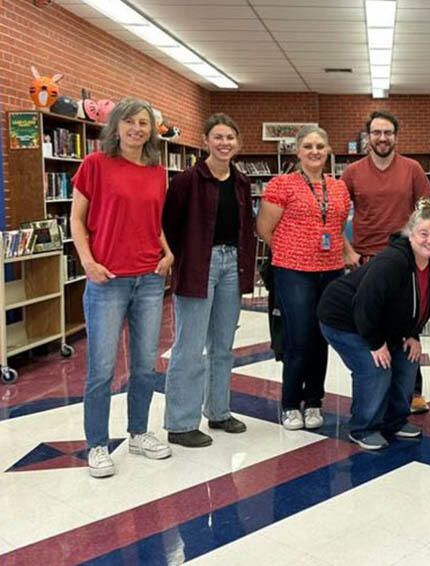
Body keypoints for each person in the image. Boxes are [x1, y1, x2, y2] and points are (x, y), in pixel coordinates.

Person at [70, 98, 174, 478]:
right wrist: (88, 262)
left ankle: (139, 432)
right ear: (115, 127)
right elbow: (76, 219)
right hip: (107, 280)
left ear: (151, 130)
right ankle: (97, 443)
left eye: (143, 123)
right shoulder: (95, 164)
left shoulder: (157, 171)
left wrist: (167, 252)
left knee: (145, 365)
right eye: (129, 122)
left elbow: (153, 221)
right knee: (101, 368)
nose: (136, 129)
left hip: (149, 278)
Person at [317, 201, 430, 450]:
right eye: (423, 233)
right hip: (344, 319)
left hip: (382, 322)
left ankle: (394, 421)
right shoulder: (392, 261)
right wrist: (375, 344)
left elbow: (425, 302)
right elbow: (365, 304)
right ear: (410, 234)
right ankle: (363, 427)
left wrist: (412, 334)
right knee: (376, 367)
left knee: (408, 360)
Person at [161, 113, 256, 448]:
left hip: (232, 266)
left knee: (222, 346)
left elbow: (246, 227)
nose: (224, 143)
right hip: (197, 267)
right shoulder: (187, 180)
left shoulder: (242, 182)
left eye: (230, 138)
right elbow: (169, 226)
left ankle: (218, 411)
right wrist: (180, 260)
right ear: (205, 141)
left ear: (238, 143)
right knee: (188, 347)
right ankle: (181, 422)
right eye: (218, 137)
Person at [256, 126, 357, 431]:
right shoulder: (281, 184)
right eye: (308, 146)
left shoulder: (338, 187)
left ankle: (314, 401)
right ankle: (289, 404)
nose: (315, 151)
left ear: (327, 151)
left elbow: (336, 227)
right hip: (293, 272)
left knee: (320, 337)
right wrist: (291, 252)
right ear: (297, 151)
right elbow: (263, 228)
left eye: (320, 146)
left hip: (331, 271)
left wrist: (348, 252)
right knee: (298, 337)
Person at [342, 110, 430, 413]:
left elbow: (426, 211)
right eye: (377, 133)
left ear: (396, 136)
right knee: (373, 325)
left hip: (405, 259)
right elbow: (337, 216)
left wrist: (423, 249)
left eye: (388, 133)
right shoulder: (352, 172)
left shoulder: (412, 169)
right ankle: (376, 395)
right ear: (367, 137)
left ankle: (413, 390)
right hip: (366, 259)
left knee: (408, 325)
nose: (383, 138)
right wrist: (348, 252)